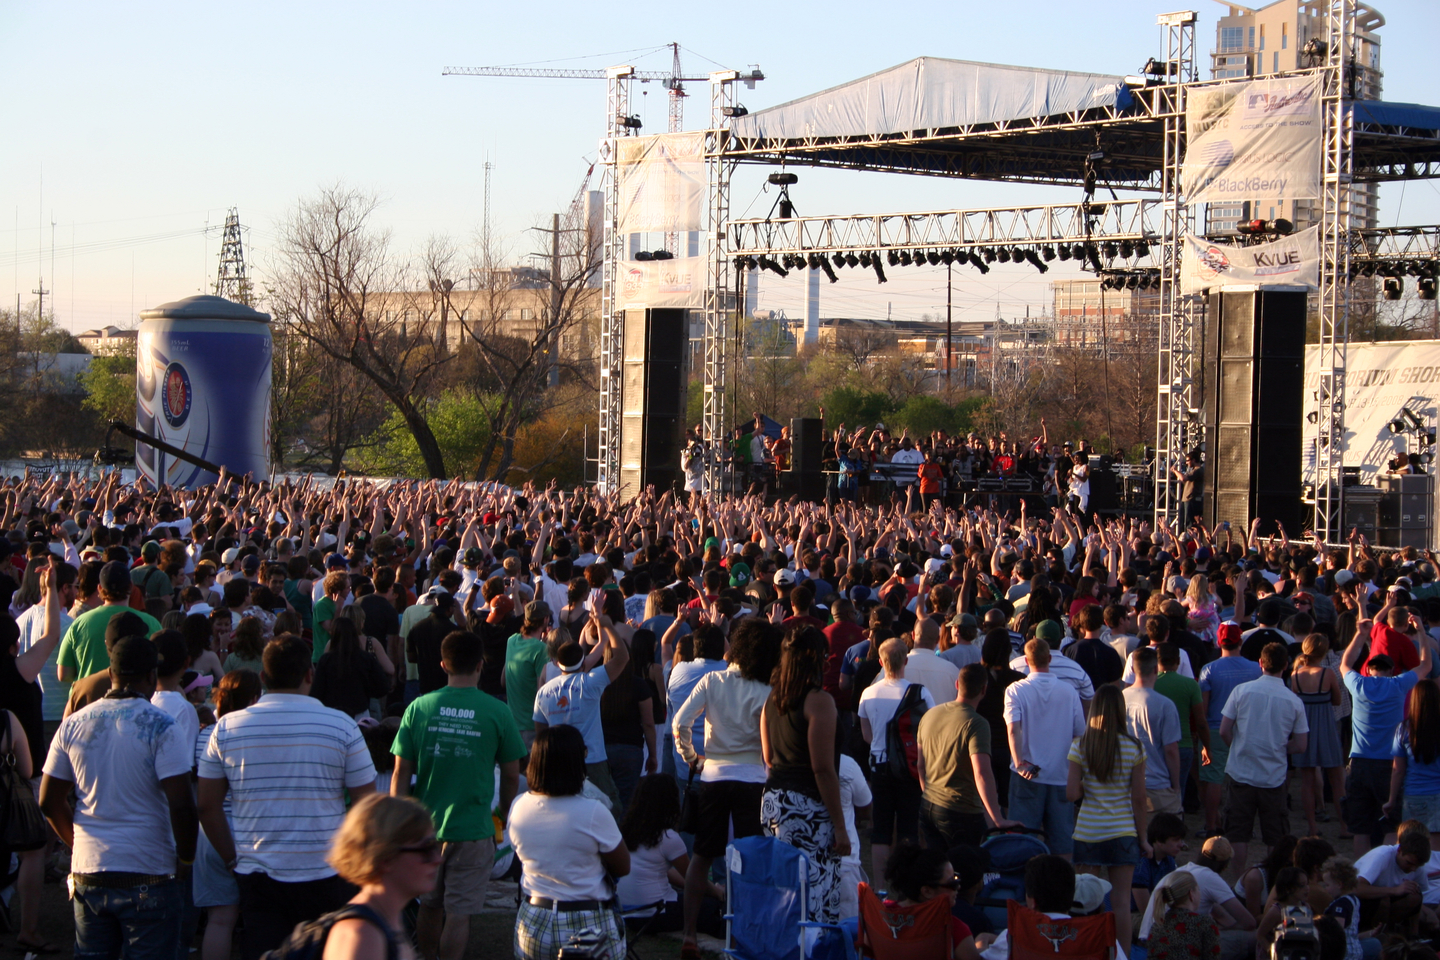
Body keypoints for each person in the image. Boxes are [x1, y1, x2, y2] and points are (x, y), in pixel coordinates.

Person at [197, 636, 378, 960]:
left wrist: (231, 858)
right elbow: (367, 805)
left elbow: (208, 806)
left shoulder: (225, 728)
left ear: (264, 678)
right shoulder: (342, 726)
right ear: (310, 673)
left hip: (258, 870)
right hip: (327, 870)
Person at [39, 634, 198, 960]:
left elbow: (48, 800)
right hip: (149, 871)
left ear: (111, 674)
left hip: (89, 872)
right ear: (152, 676)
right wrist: (186, 860)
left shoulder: (73, 725)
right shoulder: (162, 726)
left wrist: (76, 842)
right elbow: (182, 805)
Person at [391, 630, 525, 960]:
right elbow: (511, 775)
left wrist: (398, 821)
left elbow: (400, 772)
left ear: (442, 665)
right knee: (459, 913)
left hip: (424, 828)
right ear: (481, 665)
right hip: (474, 828)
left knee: (430, 906)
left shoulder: (418, 707)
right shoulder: (497, 711)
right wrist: (503, 817)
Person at [671, 618, 778, 956]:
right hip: (753, 780)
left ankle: (690, 933)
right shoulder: (767, 690)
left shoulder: (712, 680)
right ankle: (743, 931)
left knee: (701, 856)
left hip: (713, 775)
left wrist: (691, 757)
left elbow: (679, 722)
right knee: (751, 859)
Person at [509, 725, 630, 960]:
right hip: (587, 921)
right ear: (576, 763)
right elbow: (623, 866)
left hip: (533, 918)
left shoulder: (519, 805)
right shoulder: (594, 811)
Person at [760, 625, 849, 925]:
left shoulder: (771, 699)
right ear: (816, 658)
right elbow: (822, 768)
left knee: (783, 888)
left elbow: (768, 757)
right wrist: (840, 826)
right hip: (806, 805)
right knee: (815, 891)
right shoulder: (819, 701)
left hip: (774, 799)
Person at [0, 556, 62, 952]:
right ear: (13, 643)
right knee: (33, 849)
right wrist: (51, 591)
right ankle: (29, 928)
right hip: (22, 772)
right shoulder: (20, 669)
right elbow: (52, 635)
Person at [1340, 613, 1432, 857]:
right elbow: (1426, 666)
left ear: (1369, 669)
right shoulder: (1398, 684)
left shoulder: (1359, 685)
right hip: (1388, 764)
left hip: (1359, 761)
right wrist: (1421, 631)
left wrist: (1360, 634)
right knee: (1391, 823)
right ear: (1392, 670)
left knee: (1361, 828)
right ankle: (1388, 869)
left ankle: (1362, 873)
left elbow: (1345, 663)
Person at [1067, 683, 1150, 952]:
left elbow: (1070, 793)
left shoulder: (1080, 745)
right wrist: (1144, 838)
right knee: (1122, 903)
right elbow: (1139, 799)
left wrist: (1086, 786)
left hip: (1089, 832)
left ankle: (1087, 951)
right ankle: (1122, 954)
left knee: (1086, 901)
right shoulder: (1134, 747)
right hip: (1123, 831)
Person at [1220, 642, 1310, 874]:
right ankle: (1272, 881)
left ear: (1261, 663)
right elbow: (1300, 745)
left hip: (1241, 771)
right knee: (1275, 836)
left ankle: (1239, 880)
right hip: (1273, 777)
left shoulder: (1241, 691)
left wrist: (1239, 746)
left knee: (1238, 832)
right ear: (1286, 665)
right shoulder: (1293, 701)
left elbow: (1224, 730)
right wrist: (1278, 748)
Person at [315, 794, 440, 960]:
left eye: (434, 845)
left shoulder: (387, 918)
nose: (438, 859)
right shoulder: (361, 934)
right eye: (426, 848)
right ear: (385, 857)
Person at [195, 670, 263, 960]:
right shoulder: (256, 733)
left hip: (210, 834)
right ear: (254, 698)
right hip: (250, 832)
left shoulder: (204, 735)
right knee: (260, 921)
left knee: (220, 920)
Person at [532, 609, 630, 810]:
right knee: (609, 809)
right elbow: (622, 657)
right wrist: (608, 626)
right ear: (584, 662)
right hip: (592, 761)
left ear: (558, 663)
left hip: (558, 763)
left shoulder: (543, 692)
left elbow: (541, 733)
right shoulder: (591, 682)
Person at [918, 663, 1020, 850]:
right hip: (960, 810)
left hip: (929, 806)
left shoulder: (930, 715)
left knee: (939, 872)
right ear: (984, 690)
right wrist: (997, 818)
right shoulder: (976, 723)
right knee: (969, 871)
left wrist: (928, 794)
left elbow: (921, 765)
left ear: (957, 684)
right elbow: (981, 772)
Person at [858, 637, 936, 875]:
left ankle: (880, 886)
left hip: (879, 766)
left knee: (881, 828)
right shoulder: (920, 692)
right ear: (905, 661)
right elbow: (931, 728)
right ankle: (907, 881)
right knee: (908, 826)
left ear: (881, 662)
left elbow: (866, 735)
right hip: (910, 766)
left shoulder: (869, 694)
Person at [1004, 638, 1085, 859]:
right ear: (1049, 658)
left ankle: (1022, 888)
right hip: (1061, 775)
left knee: (1022, 841)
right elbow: (1080, 732)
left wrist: (1020, 762)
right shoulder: (1069, 692)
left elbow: (1013, 730)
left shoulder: (1015, 690)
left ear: (1026, 661)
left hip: (1027, 774)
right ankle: (1061, 888)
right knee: (1062, 845)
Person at [616, 774, 723, 936]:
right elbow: (693, 876)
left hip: (627, 913)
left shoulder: (628, 831)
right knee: (709, 905)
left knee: (691, 895)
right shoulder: (668, 837)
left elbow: (674, 875)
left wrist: (693, 887)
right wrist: (717, 892)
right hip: (654, 913)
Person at [979, 855, 1128, 960]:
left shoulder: (1016, 934)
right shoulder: (1100, 938)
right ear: (1071, 897)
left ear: (1032, 901)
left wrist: (981, 941)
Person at [1139, 837, 1257, 960]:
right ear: (1191, 895)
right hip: (1186, 950)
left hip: (1148, 943)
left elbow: (1221, 916)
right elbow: (1249, 923)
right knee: (1255, 937)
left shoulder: (1181, 871)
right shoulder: (1209, 880)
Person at [1200, 622, 1263, 837]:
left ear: (1219, 641)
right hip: (1247, 731)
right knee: (1246, 779)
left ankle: (1210, 825)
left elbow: (1204, 707)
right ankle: (1245, 824)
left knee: (1214, 779)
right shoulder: (1256, 669)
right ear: (1241, 641)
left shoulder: (1208, 669)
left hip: (1216, 730)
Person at [55, 560, 163, 684]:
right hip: (136, 699)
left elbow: (63, 674)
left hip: (89, 699)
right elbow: (161, 669)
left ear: (100, 588)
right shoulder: (151, 623)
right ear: (130, 586)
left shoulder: (79, 623)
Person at [880, 843, 982, 960]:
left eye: (956, 877)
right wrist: (983, 942)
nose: (958, 886)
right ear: (927, 891)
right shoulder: (953, 928)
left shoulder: (883, 915)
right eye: (952, 882)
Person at [1290, 633, 1347, 839]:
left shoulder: (1295, 675)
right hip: (1326, 726)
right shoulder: (1327, 674)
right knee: (1337, 779)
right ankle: (1343, 825)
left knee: (1306, 780)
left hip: (1304, 727)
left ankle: (1312, 827)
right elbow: (1337, 700)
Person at [1125, 647, 1184, 816]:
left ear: (1133, 669)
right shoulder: (1165, 705)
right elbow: (1171, 750)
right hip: (1157, 785)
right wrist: (1176, 785)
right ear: (1155, 669)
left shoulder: (1119, 699)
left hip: (1125, 785)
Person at [1352, 822, 1432, 933]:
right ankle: (1377, 934)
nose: (1413, 869)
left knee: (1415, 895)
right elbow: (1355, 888)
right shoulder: (1382, 855)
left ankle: (1409, 935)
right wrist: (1394, 891)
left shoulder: (1416, 865)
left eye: (1417, 866)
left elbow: (1419, 899)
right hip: (1356, 903)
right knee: (1384, 901)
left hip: (1383, 905)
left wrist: (1417, 929)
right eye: (1409, 863)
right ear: (1399, 851)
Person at [1388, 678, 1440, 846]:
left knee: (1412, 848)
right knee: (1436, 854)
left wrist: (1391, 799)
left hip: (1414, 795)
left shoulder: (1403, 729)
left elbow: (1398, 770)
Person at [312, 616, 394, 721]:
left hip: (332, 714)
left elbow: (317, 691)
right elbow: (382, 687)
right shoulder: (366, 658)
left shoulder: (326, 660)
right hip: (360, 713)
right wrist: (365, 691)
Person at [503, 600, 553, 750]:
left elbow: (503, 681)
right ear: (545, 619)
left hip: (512, 724)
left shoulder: (512, 641)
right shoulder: (541, 649)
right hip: (531, 726)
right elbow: (542, 692)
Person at [1132, 813, 1188, 916]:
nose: (1181, 845)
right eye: (1175, 840)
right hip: (1132, 915)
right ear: (1159, 841)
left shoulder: (1169, 860)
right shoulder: (1141, 863)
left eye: (1181, 840)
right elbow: (1146, 912)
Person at [1255, 867, 1313, 960]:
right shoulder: (1276, 911)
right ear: (1288, 889)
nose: (1307, 888)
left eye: (1307, 884)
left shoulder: (1305, 907)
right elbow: (1260, 935)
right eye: (1302, 885)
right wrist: (1272, 952)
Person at [1319, 857, 1368, 960]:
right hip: (1355, 950)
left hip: (1343, 953)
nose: (1325, 888)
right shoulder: (1354, 900)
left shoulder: (1340, 904)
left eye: (1327, 885)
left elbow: (1337, 929)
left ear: (1339, 884)